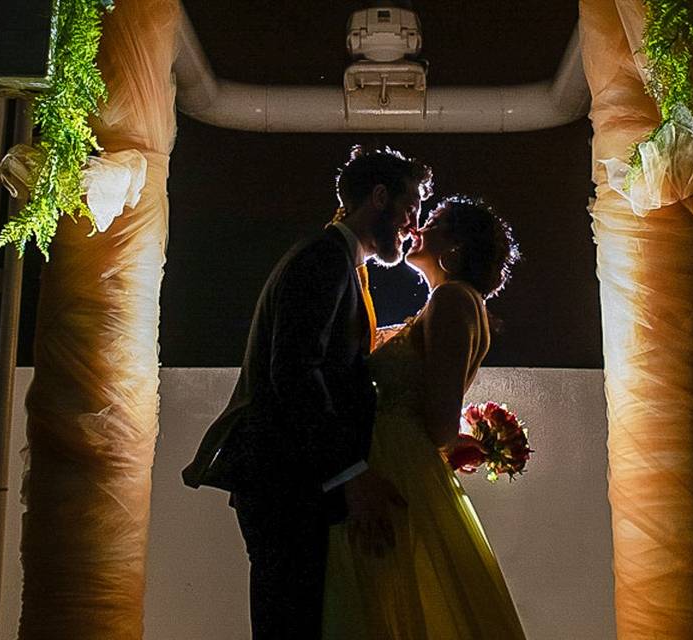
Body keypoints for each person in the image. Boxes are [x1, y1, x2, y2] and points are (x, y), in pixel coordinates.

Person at [182, 146, 433, 638]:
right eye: (410, 208)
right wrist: (351, 474)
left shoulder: (337, 259)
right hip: (285, 484)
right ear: (379, 198)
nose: (413, 226)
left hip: (291, 484)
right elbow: (295, 371)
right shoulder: (325, 259)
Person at [321, 194, 526, 639]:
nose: (418, 226)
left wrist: (441, 441)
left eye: (433, 221)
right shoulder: (454, 302)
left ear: (452, 249)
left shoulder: (453, 299)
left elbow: (439, 419)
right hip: (398, 454)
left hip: (395, 459)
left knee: (379, 598)